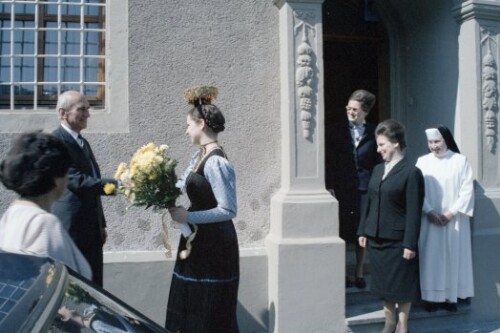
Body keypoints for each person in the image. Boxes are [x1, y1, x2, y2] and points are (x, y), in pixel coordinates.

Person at [165, 86, 239, 333]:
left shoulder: (216, 161)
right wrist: (155, 184)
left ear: (201, 124)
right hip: (196, 240)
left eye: (188, 124)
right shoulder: (199, 156)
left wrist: (188, 216)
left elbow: (228, 209)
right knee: (192, 302)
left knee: (208, 307)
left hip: (214, 243)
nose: (186, 129)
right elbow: (179, 184)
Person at [357, 119, 424, 333]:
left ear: (395, 143)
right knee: (383, 285)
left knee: (402, 286)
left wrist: (410, 244)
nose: (378, 149)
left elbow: (414, 212)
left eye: (382, 144)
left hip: (399, 241)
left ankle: (402, 326)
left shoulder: (411, 173)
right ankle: (390, 321)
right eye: (378, 145)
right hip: (376, 238)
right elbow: (368, 202)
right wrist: (363, 230)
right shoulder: (377, 170)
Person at [0, 131, 91, 279]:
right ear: (56, 178)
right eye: (65, 172)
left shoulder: (11, 215)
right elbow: (60, 283)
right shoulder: (44, 224)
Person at [51, 90, 117, 287]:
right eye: (82, 109)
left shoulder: (82, 142)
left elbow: (92, 182)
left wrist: (101, 224)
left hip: (91, 229)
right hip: (73, 230)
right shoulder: (57, 142)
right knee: (76, 287)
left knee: (94, 285)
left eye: (89, 109)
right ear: (63, 113)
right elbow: (77, 182)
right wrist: (118, 186)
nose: (88, 114)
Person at [416, 126, 475, 312]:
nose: (433, 146)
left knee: (452, 257)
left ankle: (451, 298)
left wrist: (451, 212)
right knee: (431, 258)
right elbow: (417, 189)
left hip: (454, 220)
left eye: (437, 141)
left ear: (446, 140)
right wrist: (430, 211)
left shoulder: (460, 161)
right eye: (430, 142)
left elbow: (467, 191)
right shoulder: (422, 162)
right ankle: (431, 299)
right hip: (430, 220)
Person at [326, 89, 379, 289]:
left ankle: (358, 273)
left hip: (364, 189)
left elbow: (378, 161)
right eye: (348, 108)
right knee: (342, 230)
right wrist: (330, 185)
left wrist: (375, 185)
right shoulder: (337, 130)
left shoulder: (374, 132)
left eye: (355, 109)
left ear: (365, 111)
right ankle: (342, 273)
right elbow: (330, 159)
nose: (350, 111)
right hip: (341, 188)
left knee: (361, 232)